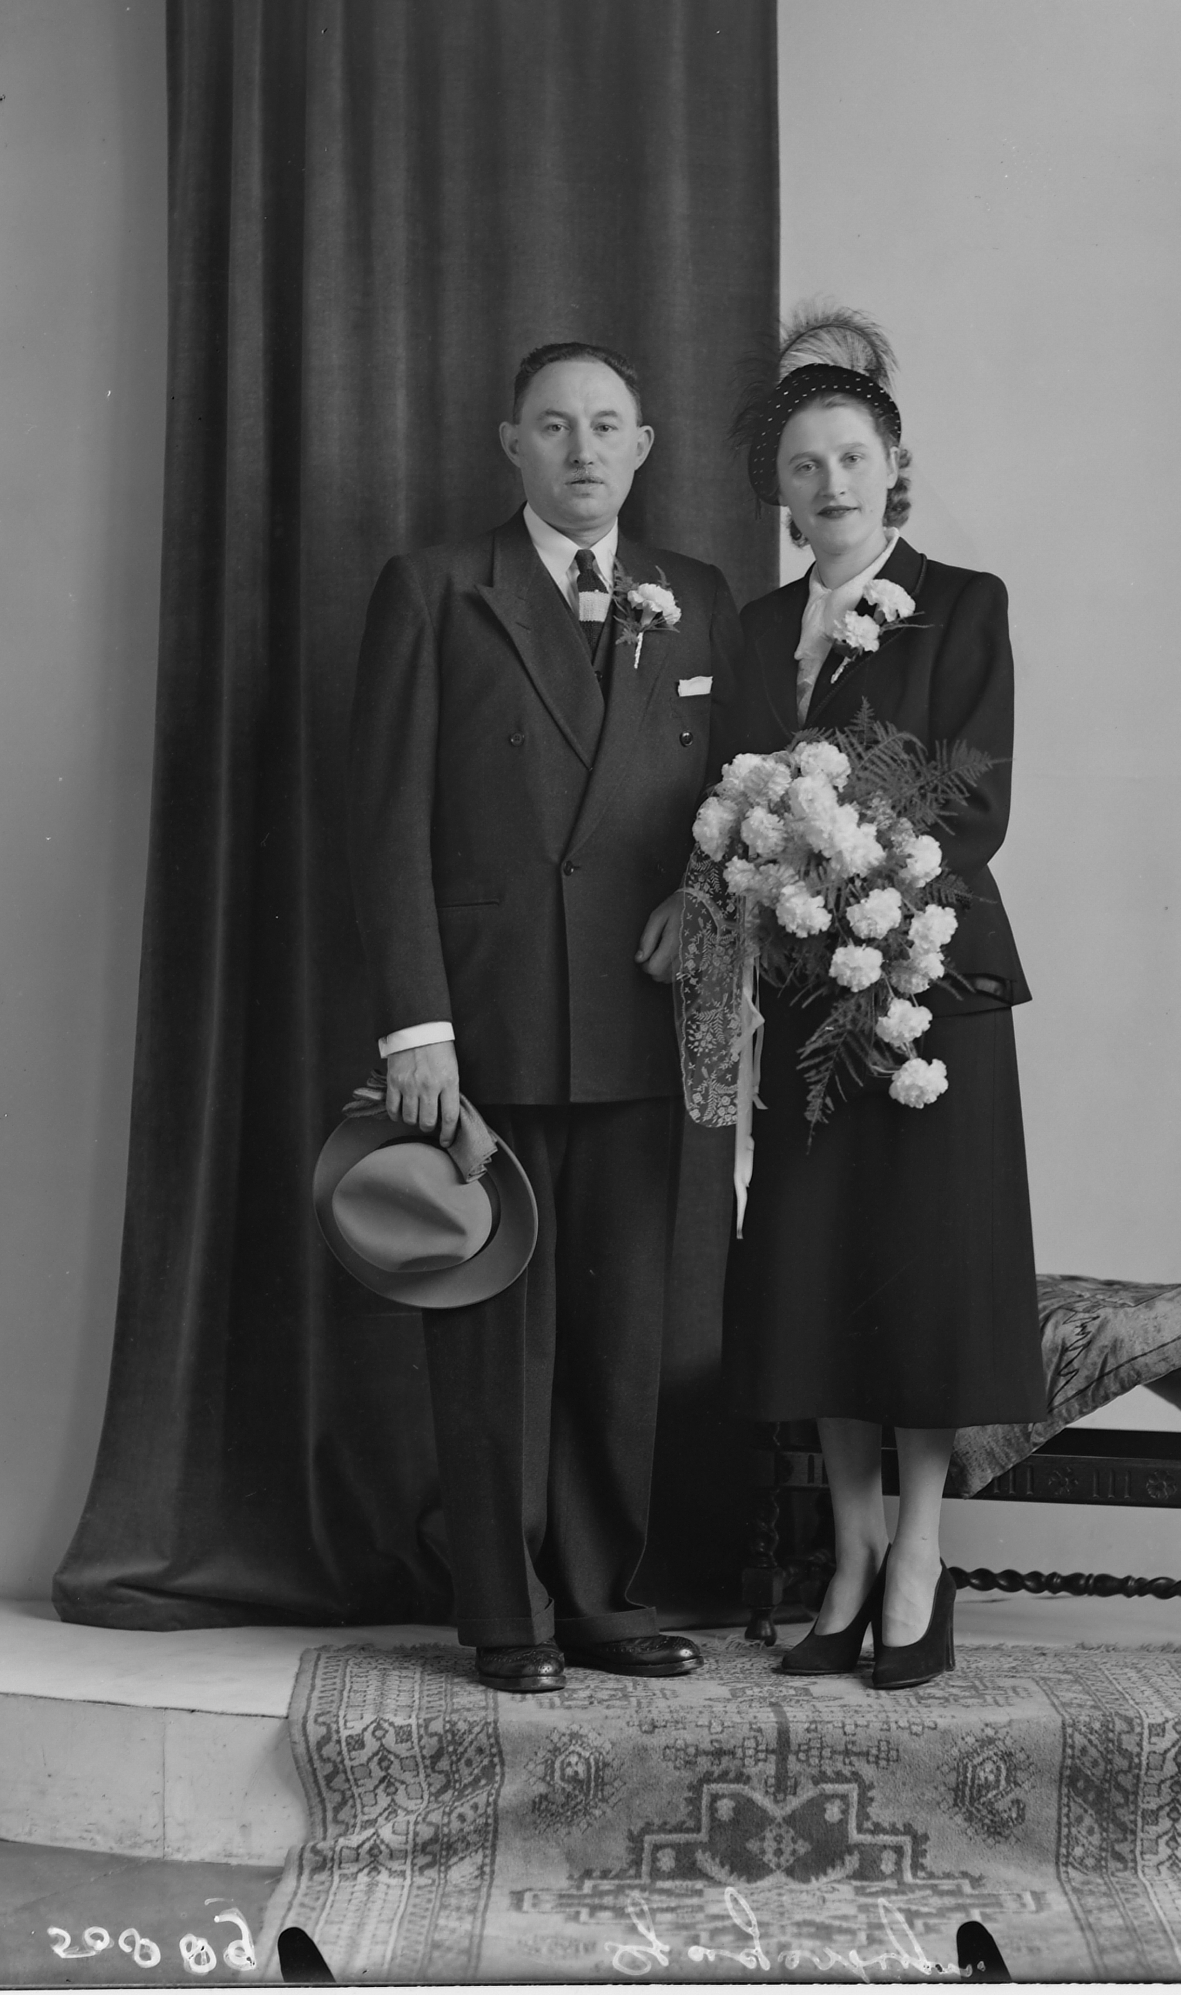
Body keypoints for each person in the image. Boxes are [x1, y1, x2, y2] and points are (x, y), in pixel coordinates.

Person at [348, 341, 741, 1693]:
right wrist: (417, 1026)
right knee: (490, 1323)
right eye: (556, 426)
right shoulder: (436, 588)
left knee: (623, 1330)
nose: (584, 450)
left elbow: (739, 799)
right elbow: (385, 824)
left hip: (637, 1016)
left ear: (644, 447)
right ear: (510, 443)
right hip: (489, 1018)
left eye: (608, 426)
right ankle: (504, 1613)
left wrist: (702, 896)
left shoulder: (696, 594)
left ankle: (600, 1599)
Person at [714, 310, 1047, 1688]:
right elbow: (731, 794)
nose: (831, 483)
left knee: (920, 1274)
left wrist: (856, 865)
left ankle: (920, 1556)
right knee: (820, 1274)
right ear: (779, 489)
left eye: (852, 456)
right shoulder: (753, 630)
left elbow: (973, 797)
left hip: (926, 984)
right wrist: (774, 862)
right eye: (804, 465)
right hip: (808, 985)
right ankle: (848, 1558)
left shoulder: (963, 602)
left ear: (894, 464)